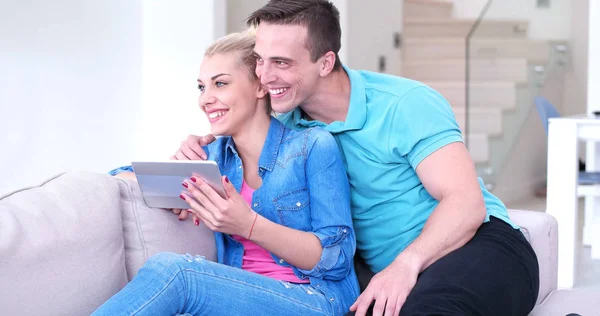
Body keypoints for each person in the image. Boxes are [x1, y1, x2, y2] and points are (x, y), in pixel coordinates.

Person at [174, 1, 540, 316]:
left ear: (325, 62)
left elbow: (466, 203)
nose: (265, 77)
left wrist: (404, 266)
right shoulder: (287, 126)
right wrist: (194, 150)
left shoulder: (403, 104)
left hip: (479, 246)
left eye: (281, 62)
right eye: (261, 62)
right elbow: (234, 129)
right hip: (380, 270)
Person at [94, 30, 360, 315]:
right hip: (240, 296)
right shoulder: (213, 157)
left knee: (176, 273)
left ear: (260, 87)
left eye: (220, 83)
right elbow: (119, 176)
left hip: (315, 297)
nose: (205, 100)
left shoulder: (313, 146)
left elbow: (337, 258)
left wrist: (247, 224)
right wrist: (172, 173)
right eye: (201, 87)